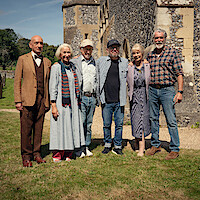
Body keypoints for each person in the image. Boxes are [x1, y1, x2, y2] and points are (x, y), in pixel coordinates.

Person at [146, 28, 184, 160]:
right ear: (153, 39)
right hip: (152, 90)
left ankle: (174, 148)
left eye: (161, 38)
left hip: (167, 90)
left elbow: (179, 73)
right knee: (153, 119)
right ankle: (155, 145)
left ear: (165, 38)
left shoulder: (172, 53)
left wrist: (179, 92)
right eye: (156, 38)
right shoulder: (150, 54)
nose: (158, 40)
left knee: (171, 120)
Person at [14, 35, 51, 167]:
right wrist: (18, 101)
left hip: (42, 100)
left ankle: (37, 154)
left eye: (41, 43)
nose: (39, 45)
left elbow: (48, 82)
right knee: (26, 130)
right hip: (27, 100)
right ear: (30, 45)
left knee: (39, 129)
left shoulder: (47, 62)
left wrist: (47, 102)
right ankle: (26, 156)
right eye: (36, 43)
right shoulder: (22, 59)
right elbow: (17, 80)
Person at [49, 44, 85, 162]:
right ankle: (58, 153)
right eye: (64, 52)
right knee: (60, 127)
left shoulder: (73, 67)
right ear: (60, 54)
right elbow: (52, 87)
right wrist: (53, 104)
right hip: (61, 102)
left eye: (68, 52)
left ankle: (68, 152)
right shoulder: (56, 67)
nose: (66, 55)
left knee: (71, 126)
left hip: (73, 102)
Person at [97, 39, 128, 155]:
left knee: (119, 124)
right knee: (106, 124)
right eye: (112, 48)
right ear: (107, 50)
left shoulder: (125, 62)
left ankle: (118, 146)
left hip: (119, 100)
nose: (114, 49)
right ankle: (107, 144)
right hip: (106, 100)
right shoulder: (101, 61)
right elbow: (87, 64)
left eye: (116, 47)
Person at [71, 39, 99, 157]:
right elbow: (64, 63)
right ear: (81, 49)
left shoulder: (95, 63)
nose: (88, 51)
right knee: (80, 123)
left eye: (90, 49)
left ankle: (86, 146)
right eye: (85, 49)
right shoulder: (75, 62)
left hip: (92, 97)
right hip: (81, 97)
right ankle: (79, 147)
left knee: (88, 124)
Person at [127, 44, 151, 156]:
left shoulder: (147, 65)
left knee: (143, 120)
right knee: (136, 120)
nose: (136, 55)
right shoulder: (130, 66)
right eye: (134, 53)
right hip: (134, 96)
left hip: (145, 96)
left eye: (138, 53)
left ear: (142, 53)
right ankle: (137, 142)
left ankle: (142, 148)